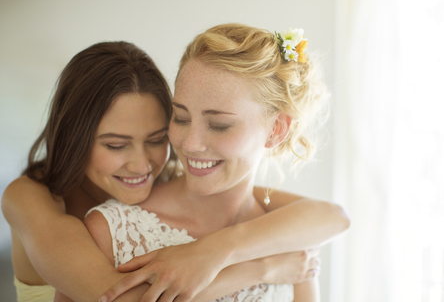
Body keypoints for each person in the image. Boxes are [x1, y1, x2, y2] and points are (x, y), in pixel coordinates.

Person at [1, 40, 348, 302]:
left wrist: (216, 250)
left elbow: (331, 217)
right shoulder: (32, 198)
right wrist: (260, 268)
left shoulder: (166, 178)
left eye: (155, 139)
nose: (142, 165)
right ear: (75, 137)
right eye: (115, 145)